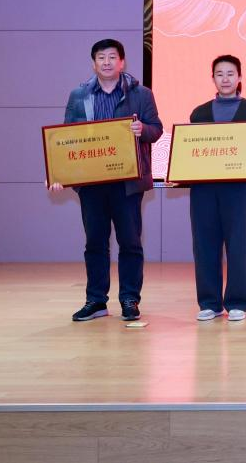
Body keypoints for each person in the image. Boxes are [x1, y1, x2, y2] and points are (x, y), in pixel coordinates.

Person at [52, 39, 163, 322]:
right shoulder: (79, 95)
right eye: (101, 57)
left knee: (130, 242)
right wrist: (58, 174)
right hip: (92, 183)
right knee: (95, 243)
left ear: (122, 62)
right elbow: (66, 138)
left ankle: (129, 299)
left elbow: (156, 130)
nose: (107, 62)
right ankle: (96, 300)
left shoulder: (141, 94)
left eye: (112, 57)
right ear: (94, 63)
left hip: (128, 183)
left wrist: (142, 129)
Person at [188, 54, 246, 322]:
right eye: (220, 74)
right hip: (203, 189)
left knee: (239, 244)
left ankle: (237, 302)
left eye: (230, 73)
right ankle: (209, 303)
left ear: (239, 77)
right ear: (212, 78)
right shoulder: (199, 113)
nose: (225, 79)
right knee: (204, 244)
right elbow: (190, 151)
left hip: (237, 189)